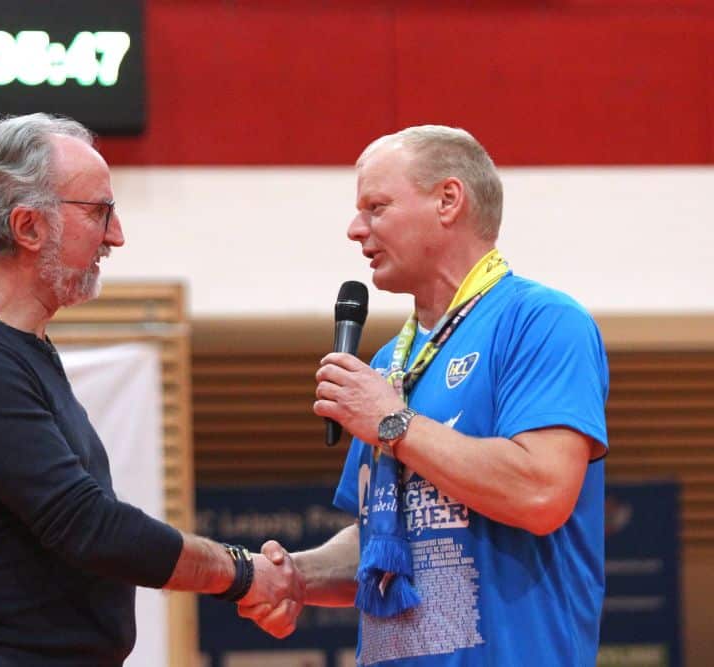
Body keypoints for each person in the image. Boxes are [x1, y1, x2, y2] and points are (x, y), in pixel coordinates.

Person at [0, 113, 304, 666]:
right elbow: (88, 526)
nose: (116, 235)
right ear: (28, 227)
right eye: (99, 212)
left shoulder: (13, 348)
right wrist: (242, 572)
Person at [239, 126, 609, 666]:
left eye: (376, 206)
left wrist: (394, 423)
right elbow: (386, 535)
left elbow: (541, 492)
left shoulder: (543, 321)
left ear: (448, 200)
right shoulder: (388, 361)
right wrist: (297, 575)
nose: (354, 228)